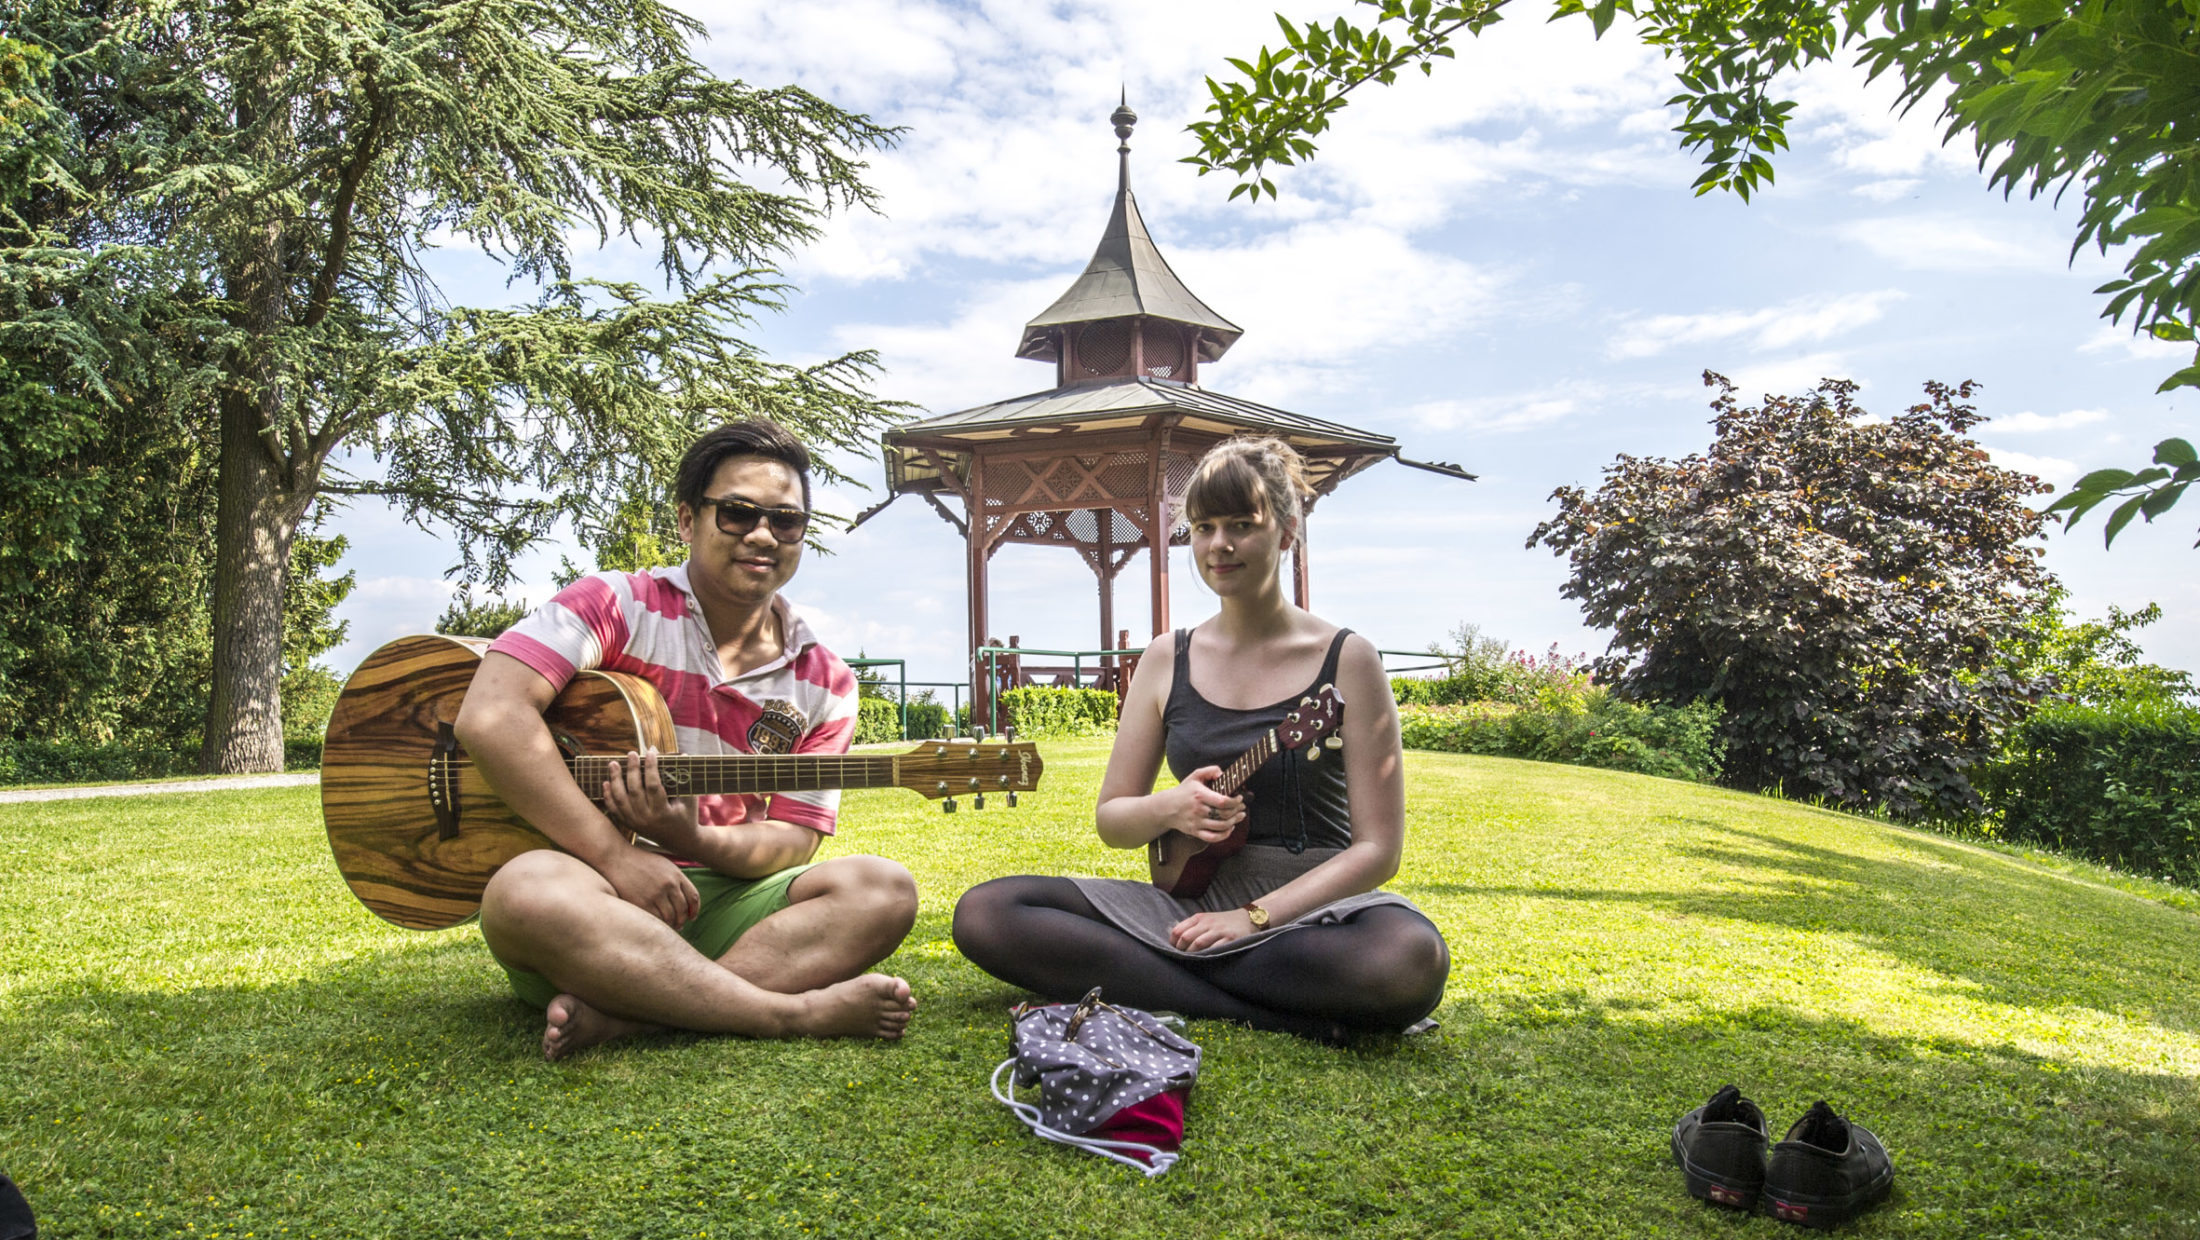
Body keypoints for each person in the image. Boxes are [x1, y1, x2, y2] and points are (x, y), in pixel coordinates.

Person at [952, 437, 1450, 1042]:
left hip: (1315, 912)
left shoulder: (1348, 658)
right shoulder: (1167, 657)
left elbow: (1378, 851)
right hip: (1188, 905)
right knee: (987, 913)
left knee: (1407, 959)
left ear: (1286, 532)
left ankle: (1158, 983)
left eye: (1242, 524)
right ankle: (1266, 1012)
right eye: (1205, 526)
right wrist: (1170, 807)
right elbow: (1114, 820)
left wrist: (1252, 919)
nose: (1220, 545)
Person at [454, 420, 919, 1060]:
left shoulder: (825, 679)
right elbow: (492, 715)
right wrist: (616, 858)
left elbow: (792, 843)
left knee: (884, 890)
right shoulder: (616, 603)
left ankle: (635, 1017)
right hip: (594, 902)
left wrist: (684, 837)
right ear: (686, 520)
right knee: (522, 893)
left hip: (726, 903)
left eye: (786, 521)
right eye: (737, 513)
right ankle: (787, 1014)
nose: (762, 534)